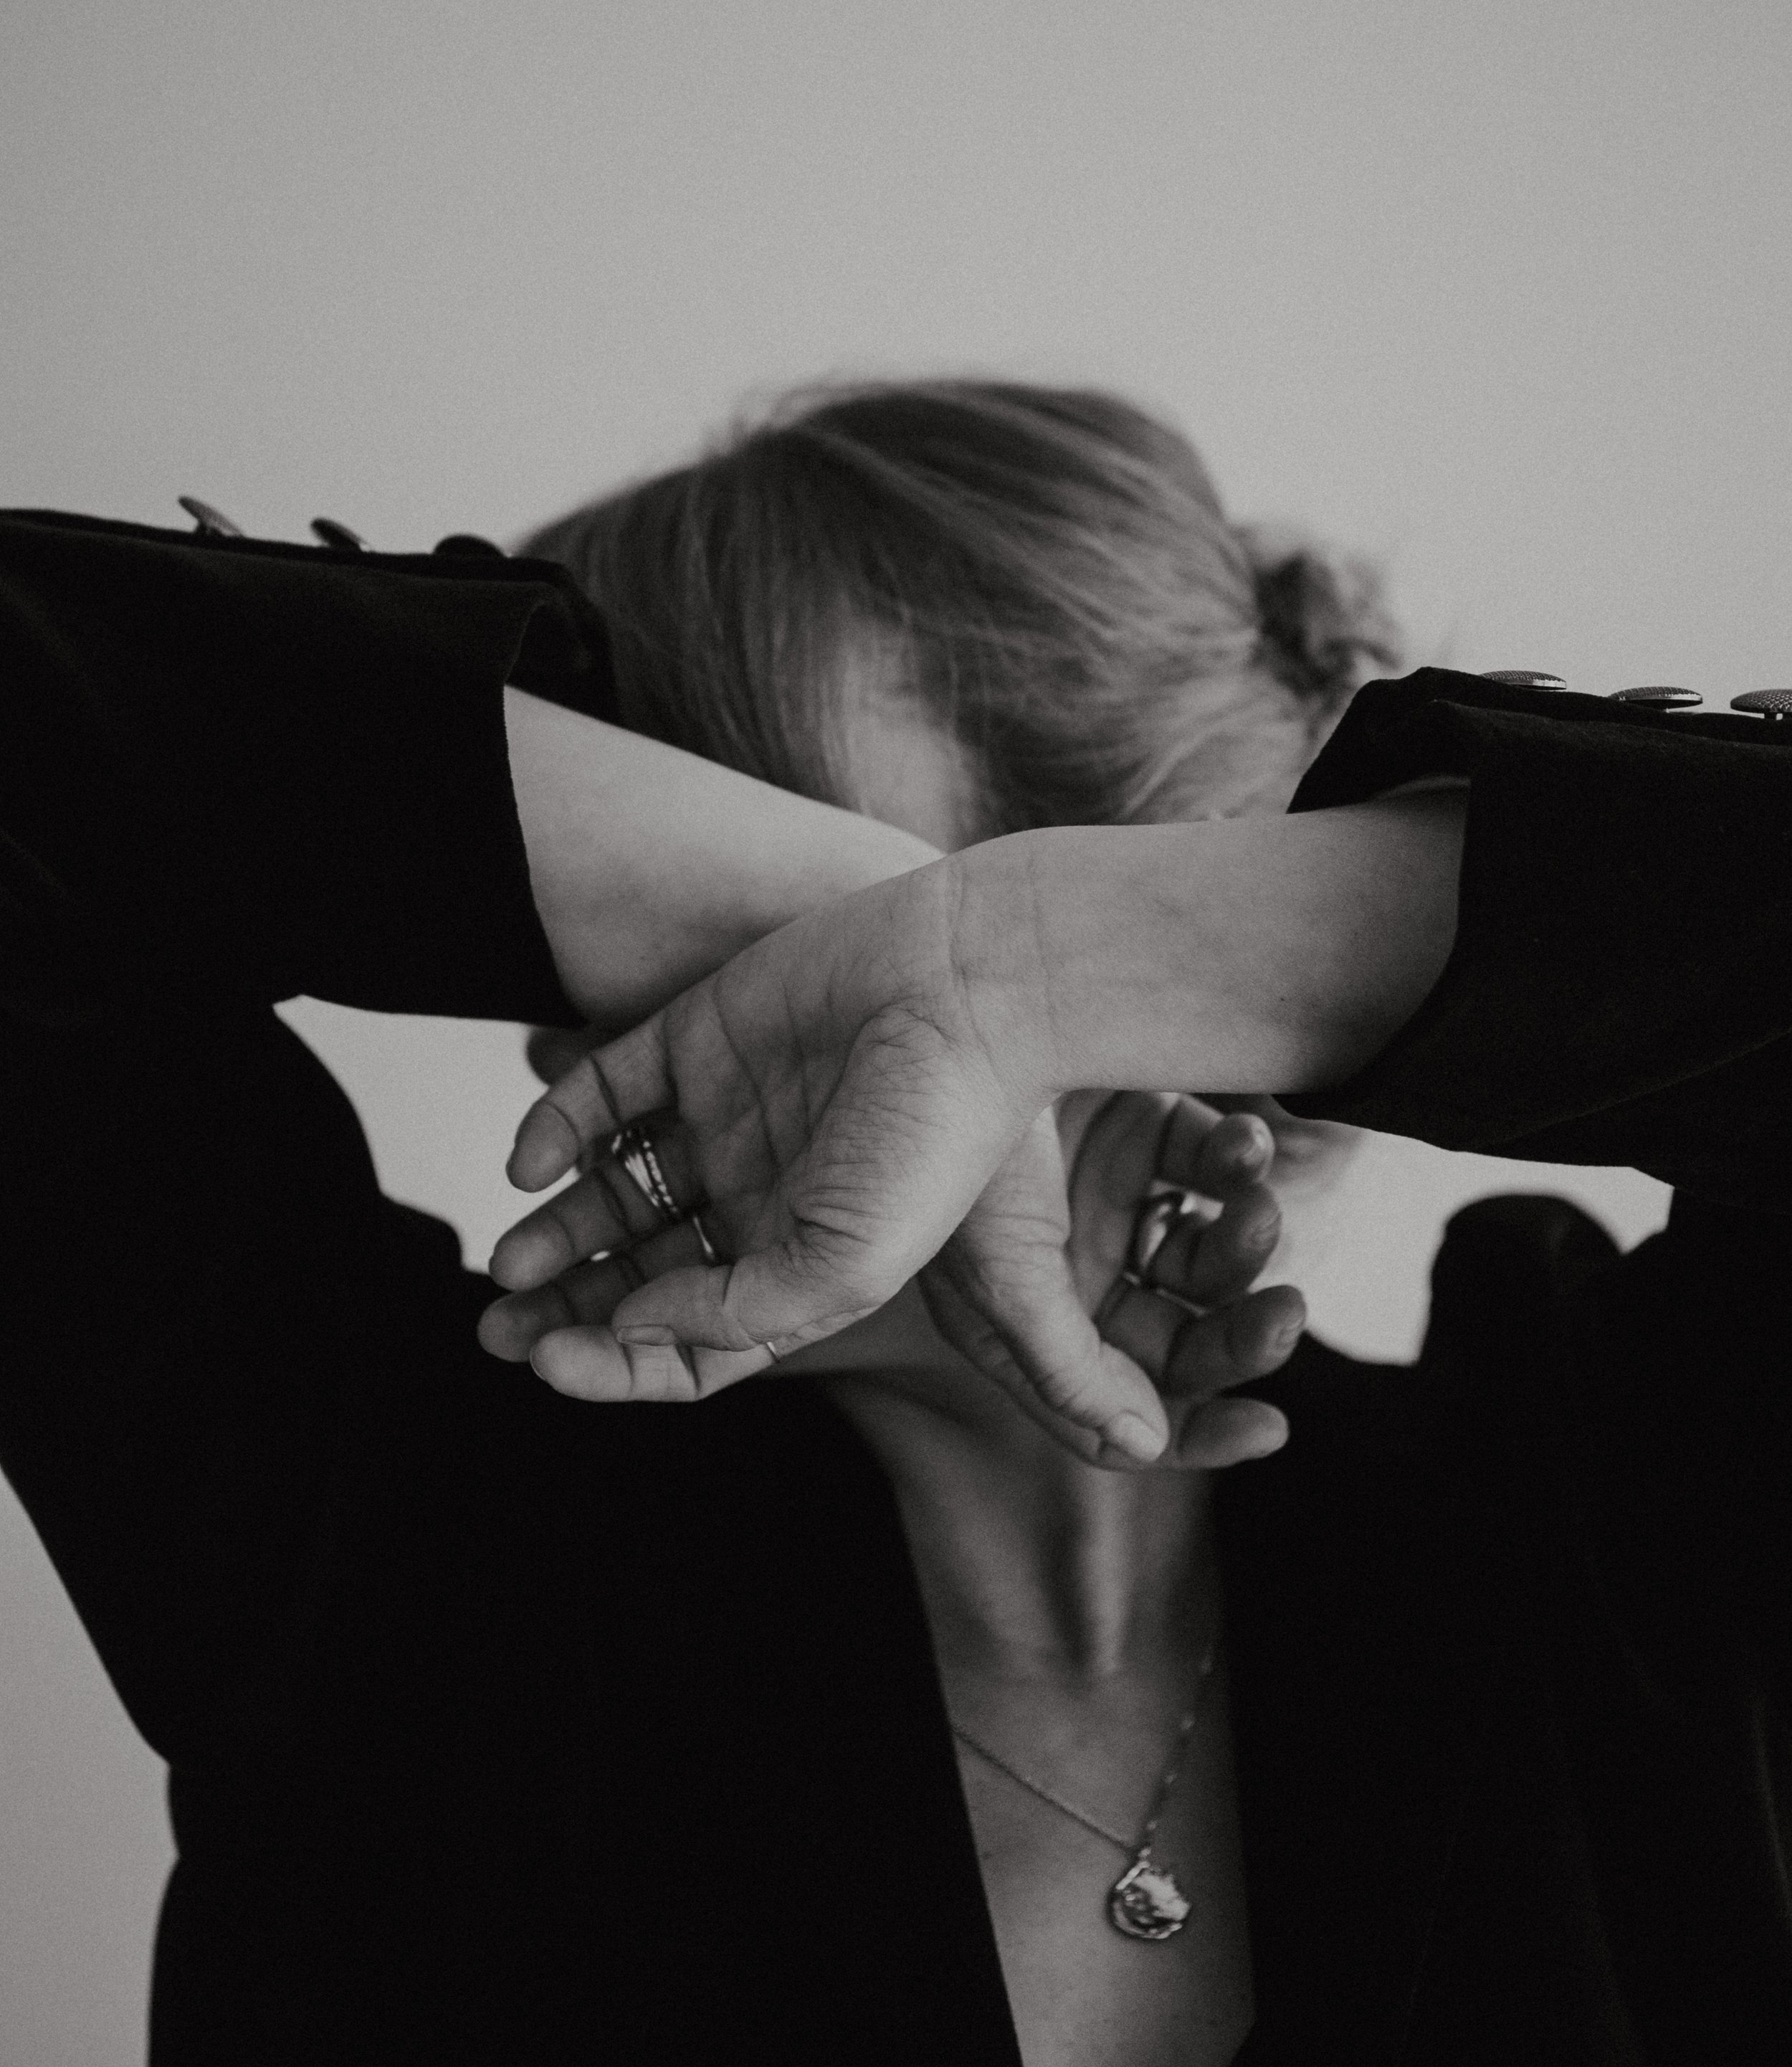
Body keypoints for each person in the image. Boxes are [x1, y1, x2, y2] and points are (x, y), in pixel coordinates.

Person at [0, 389, 1390, 2067]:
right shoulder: (394, 1545)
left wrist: (994, 973)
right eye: (616, 880)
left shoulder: (1598, 1488)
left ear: (1142, 886)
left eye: (741, 805)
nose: (570, 1027)